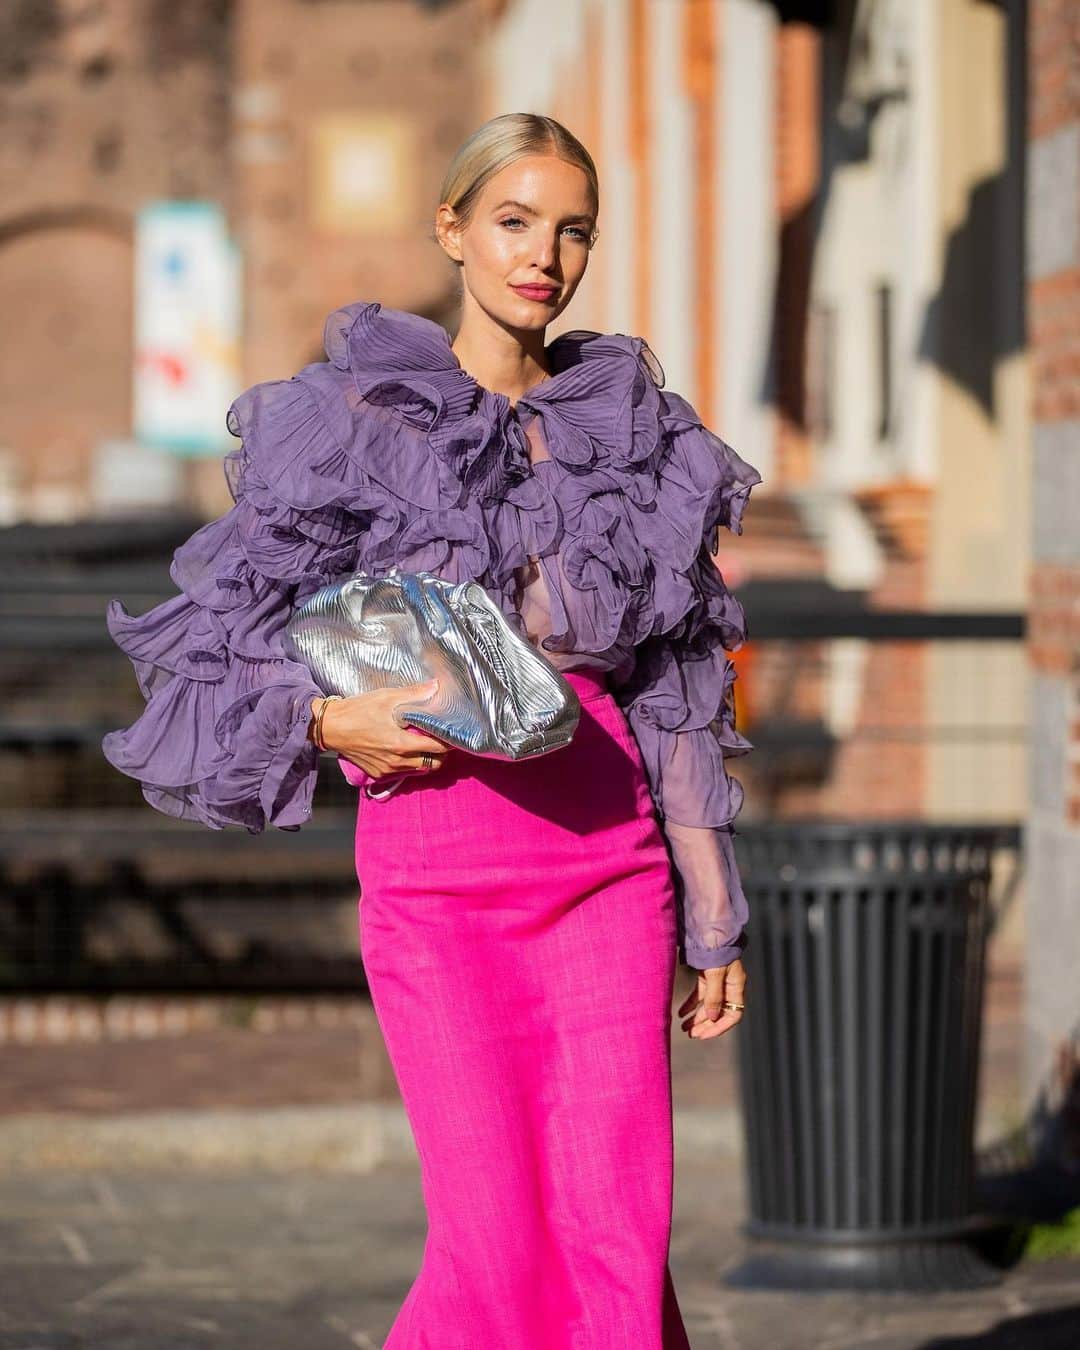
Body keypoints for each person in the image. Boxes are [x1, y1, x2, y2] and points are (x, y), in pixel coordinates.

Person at [102, 112, 762, 1349]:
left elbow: (677, 680)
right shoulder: (355, 422)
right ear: (452, 230)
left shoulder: (638, 436)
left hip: (608, 872)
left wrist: (714, 909)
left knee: (616, 1232)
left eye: (572, 231)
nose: (544, 257)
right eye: (514, 222)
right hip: (437, 880)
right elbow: (213, 646)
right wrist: (327, 715)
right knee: (494, 1240)